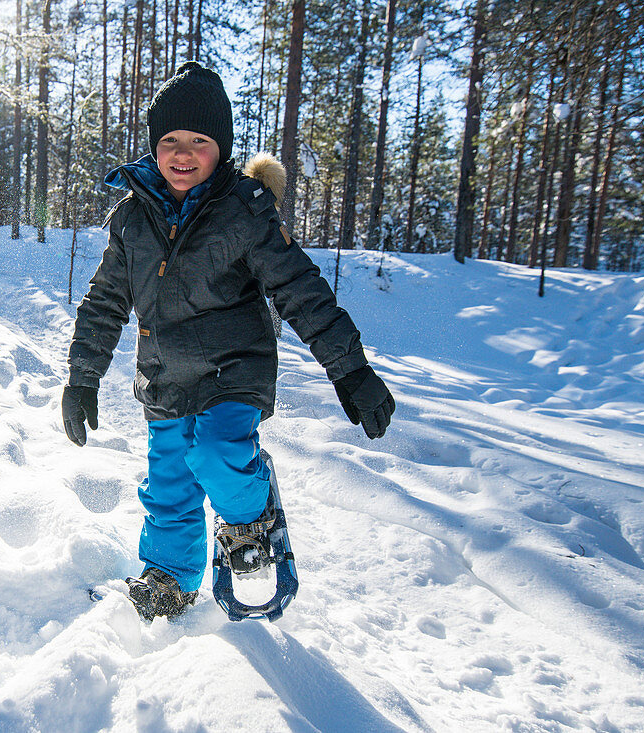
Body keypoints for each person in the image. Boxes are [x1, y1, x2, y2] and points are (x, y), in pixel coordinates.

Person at [62, 61, 395, 621]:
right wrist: (81, 379)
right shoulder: (131, 219)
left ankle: (250, 525)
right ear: (153, 147)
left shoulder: (245, 211)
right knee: (169, 483)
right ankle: (169, 578)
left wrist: (351, 369)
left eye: (199, 139)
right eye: (169, 139)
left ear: (221, 147)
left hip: (234, 369)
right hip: (164, 375)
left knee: (216, 452)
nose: (182, 152)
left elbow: (301, 291)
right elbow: (104, 304)